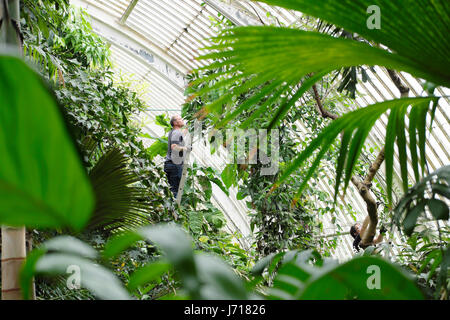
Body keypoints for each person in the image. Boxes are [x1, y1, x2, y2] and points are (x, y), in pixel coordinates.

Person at [164, 115, 191, 198]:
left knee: (171, 190)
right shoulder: (177, 132)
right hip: (175, 165)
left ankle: (170, 209)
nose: (182, 120)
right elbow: (174, 147)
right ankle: (174, 210)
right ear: (175, 123)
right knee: (175, 192)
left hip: (170, 165)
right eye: (180, 119)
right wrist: (186, 148)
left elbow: (182, 134)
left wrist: (188, 126)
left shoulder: (174, 132)